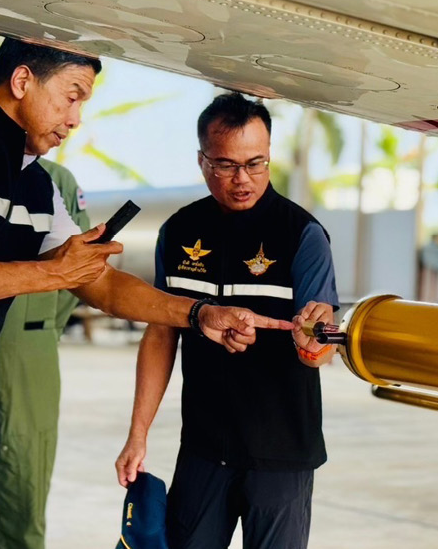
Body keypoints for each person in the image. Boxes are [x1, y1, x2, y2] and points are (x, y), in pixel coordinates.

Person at [0, 41, 293, 548]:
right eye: (71, 97)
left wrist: (199, 314)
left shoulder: (36, 185)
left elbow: (100, 283)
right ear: (22, 82)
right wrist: (52, 274)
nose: (75, 119)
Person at [115, 92, 339, 549]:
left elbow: (326, 340)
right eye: (225, 165)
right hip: (203, 448)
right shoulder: (178, 231)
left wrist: (314, 339)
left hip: (282, 453)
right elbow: (161, 332)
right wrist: (137, 436)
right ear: (202, 161)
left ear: (270, 156)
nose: (243, 179)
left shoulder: (303, 234)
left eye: (256, 163)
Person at [0, 67, 90, 549]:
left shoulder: (54, 180)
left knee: (25, 496)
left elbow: (80, 274)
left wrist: (39, 326)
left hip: (30, 355)